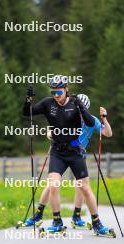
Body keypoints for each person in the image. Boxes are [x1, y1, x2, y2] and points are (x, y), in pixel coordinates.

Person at [23, 75, 113, 235]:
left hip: (76, 152)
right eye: (53, 92)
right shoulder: (47, 103)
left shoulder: (75, 104)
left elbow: (92, 124)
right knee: (53, 184)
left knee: (84, 187)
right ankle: (56, 221)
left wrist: (82, 108)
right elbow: (27, 113)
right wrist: (28, 99)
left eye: (58, 92)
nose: (56, 95)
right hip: (58, 151)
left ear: (66, 89)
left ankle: (96, 223)